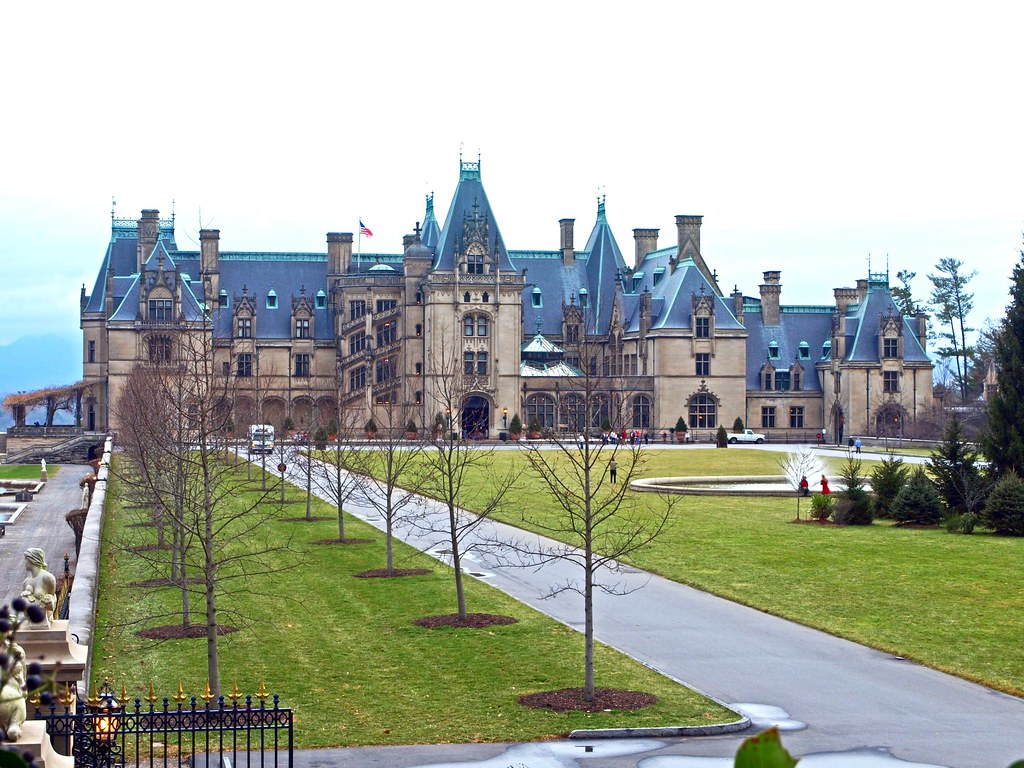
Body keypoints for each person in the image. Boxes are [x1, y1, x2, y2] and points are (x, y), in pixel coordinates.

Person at [21, 548, 57, 626]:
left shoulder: (47, 577)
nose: (25, 563)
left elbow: (52, 597)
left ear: (32, 560)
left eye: (26, 560)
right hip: (32, 619)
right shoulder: (26, 582)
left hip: (44, 618)